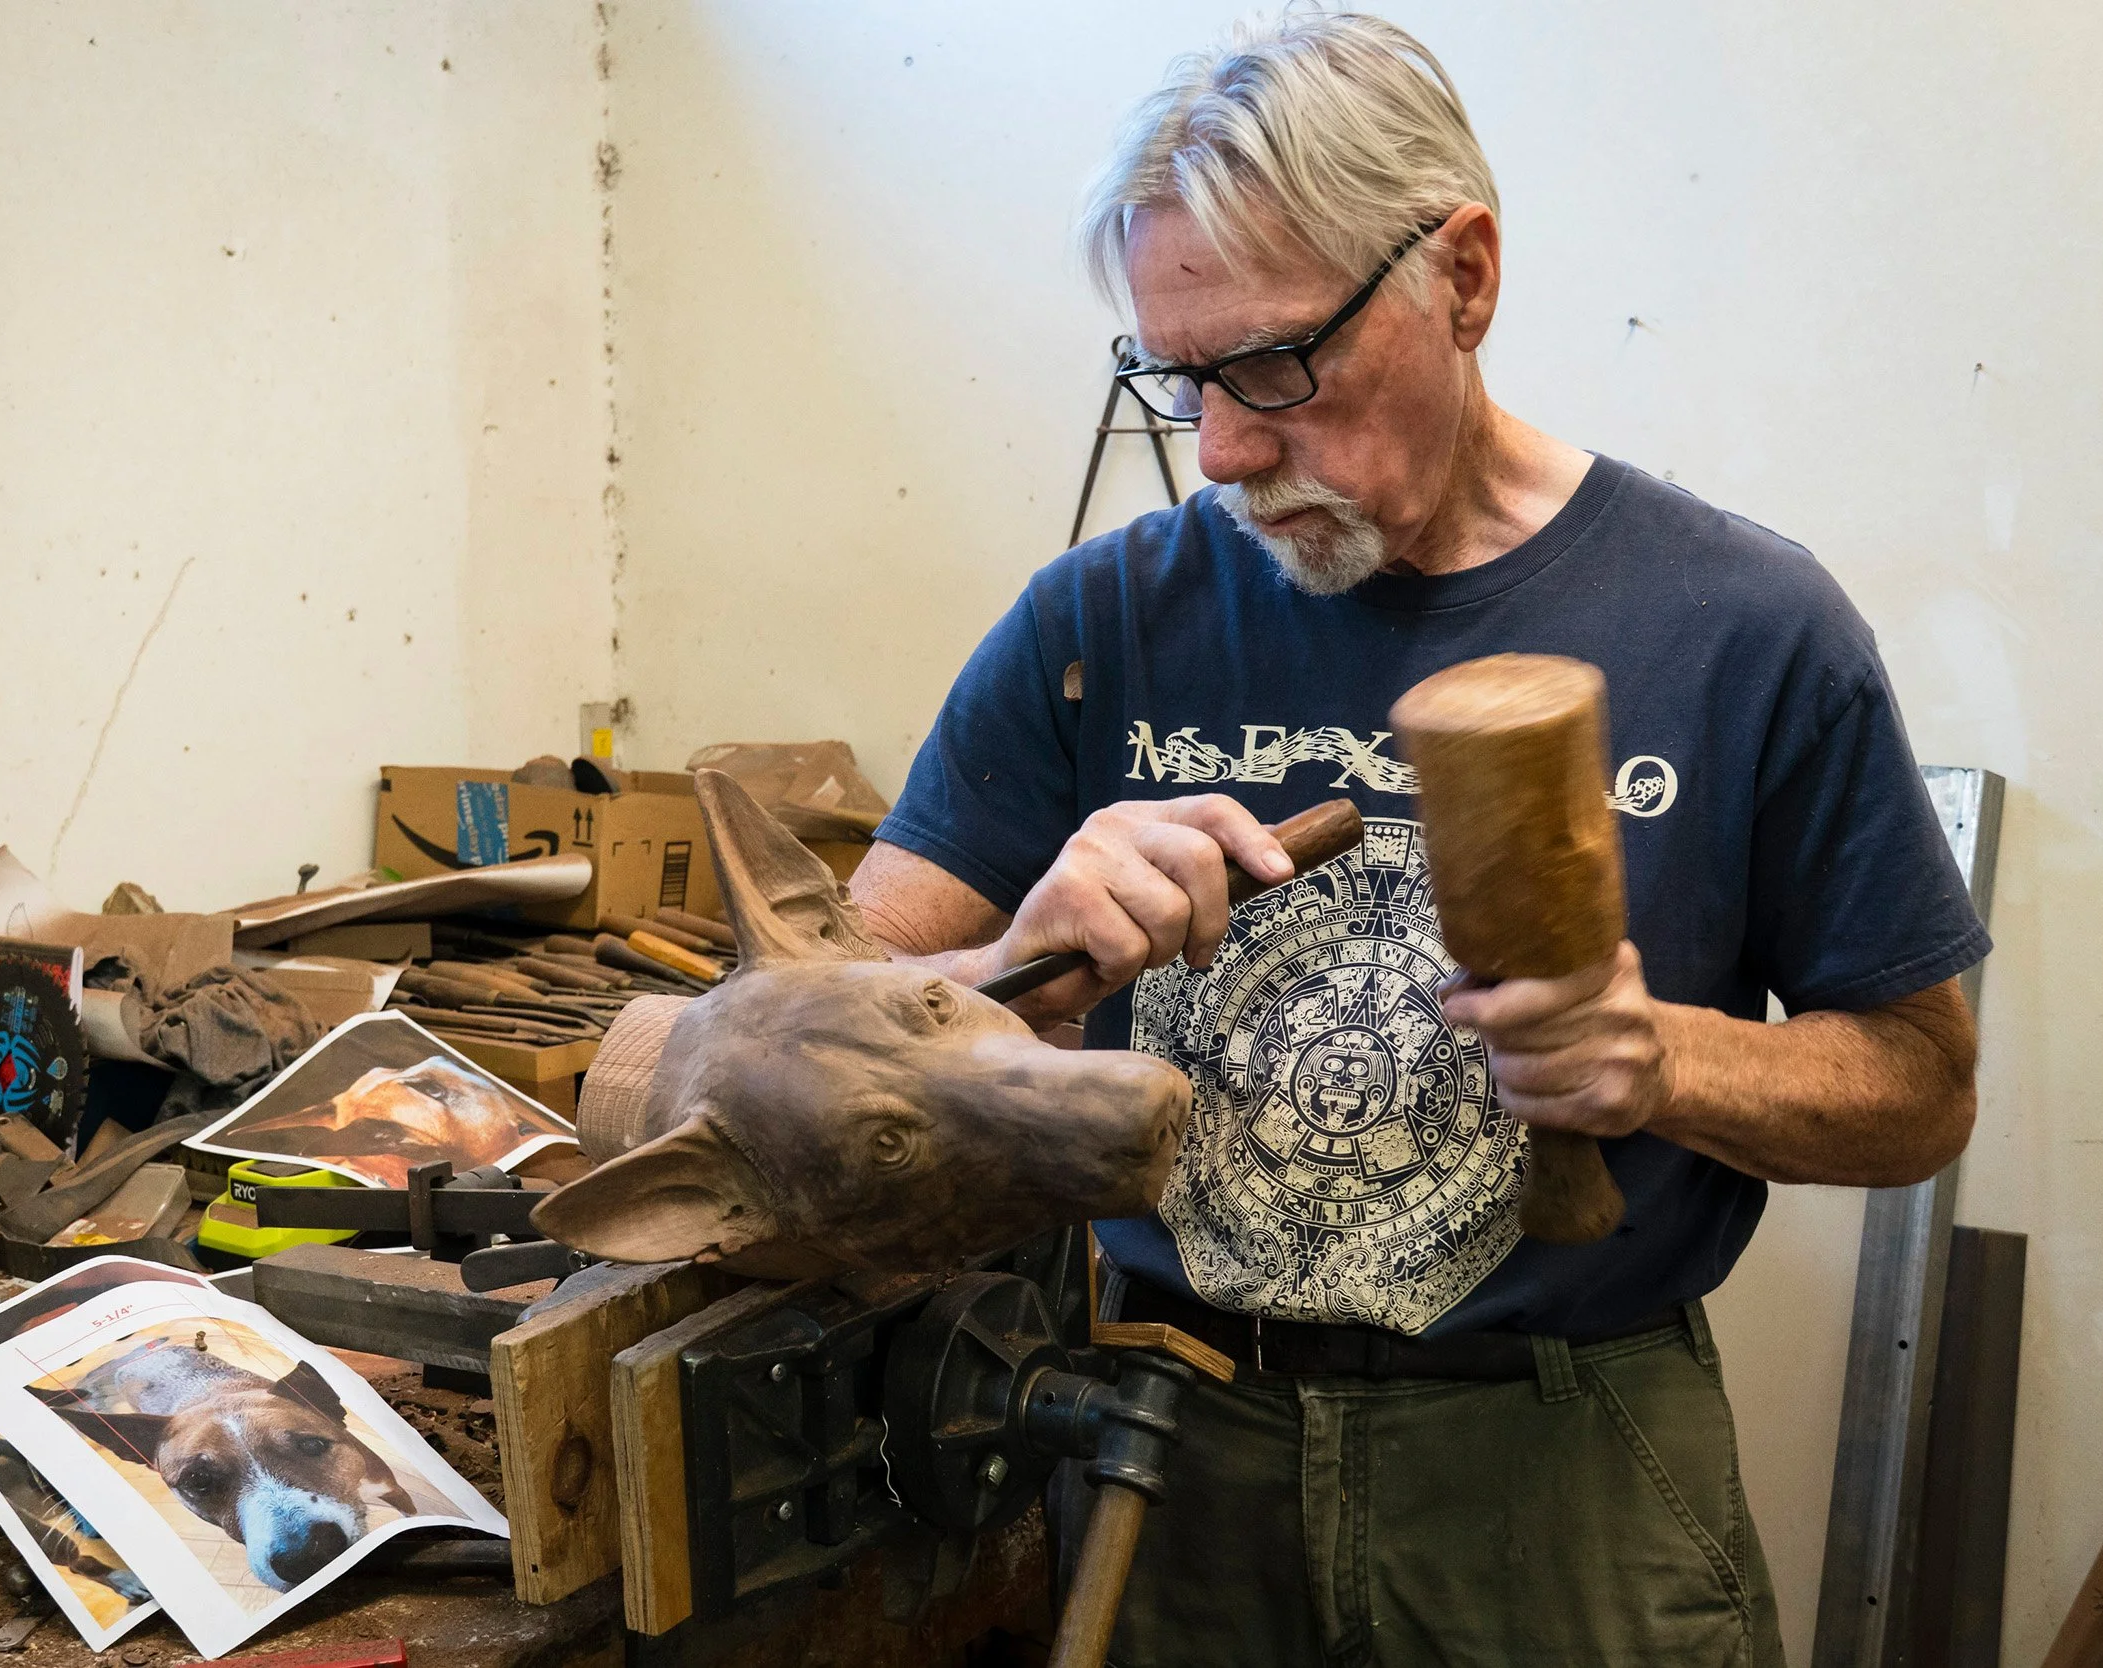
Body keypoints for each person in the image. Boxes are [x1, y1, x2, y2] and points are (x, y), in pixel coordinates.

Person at [848, 15, 1989, 1666]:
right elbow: (808, 1028)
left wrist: (1657, 1062)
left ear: (1463, 276)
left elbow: (1923, 1091)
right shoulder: (1102, 619)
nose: (1225, 450)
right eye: (1178, 381)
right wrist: (1011, 963)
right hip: (1164, 1440)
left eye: (1275, 366)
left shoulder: (1742, 627)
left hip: (1563, 1464)